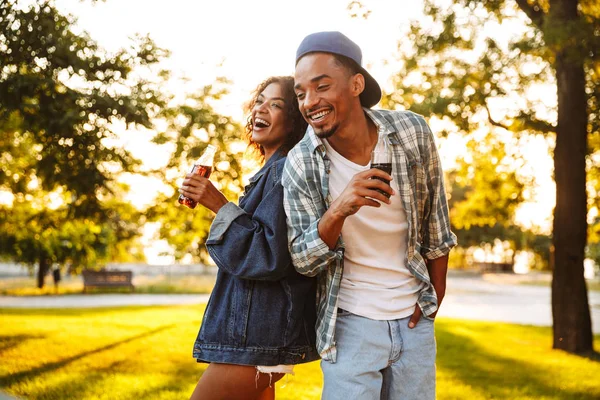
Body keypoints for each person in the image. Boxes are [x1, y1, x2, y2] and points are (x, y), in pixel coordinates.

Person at [282, 31, 458, 400]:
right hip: (349, 324)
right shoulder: (301, 162)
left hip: (414, 322)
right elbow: (303, 259)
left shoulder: (412, 132)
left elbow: (436, 227)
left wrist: (434, 298)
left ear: (356, 84)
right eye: (301, 93)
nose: (310, 102)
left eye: (322, 86)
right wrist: (340, 207)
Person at [179, 76, 318, 400]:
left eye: (276, 104)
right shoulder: (269, 172)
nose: (261, 108)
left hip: (258, 338)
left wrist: (217, 203)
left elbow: (269, 254)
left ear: (295, 118)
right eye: (259, 101)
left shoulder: (285, 170)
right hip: (257, 336)